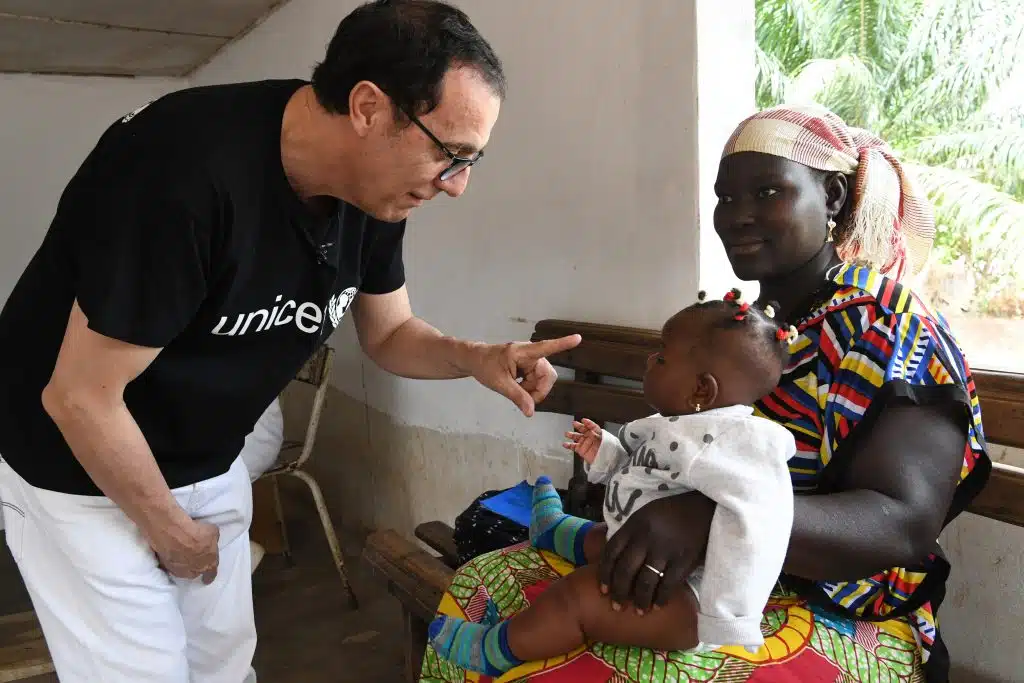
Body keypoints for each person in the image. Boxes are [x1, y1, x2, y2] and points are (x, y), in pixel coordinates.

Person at [0, 2, 580, 681]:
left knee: (222, 664)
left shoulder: (377, 190)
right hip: (77, 465)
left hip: (203, 452)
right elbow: (80, 398)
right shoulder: (182, 173)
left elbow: (390, 333)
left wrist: (478, 358)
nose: (457, 185)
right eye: (451, 154)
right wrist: (169, 531)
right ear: (368, 107)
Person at [421, 104, 991, 683]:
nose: (738, 216)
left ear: (835, 198)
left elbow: (902, 521)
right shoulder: (742, 329)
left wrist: (712, 519)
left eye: (768, 191)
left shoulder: (889, 329)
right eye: (726, 197)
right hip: (709, 573)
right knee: (485, 582)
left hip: (843, 610)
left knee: (594, 664)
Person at [427, 293, 799, 675]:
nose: (651, 360)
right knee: (602, 538)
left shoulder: (739, 443)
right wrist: (607, 453)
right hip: (643, 550)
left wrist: (730, 616)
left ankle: (497, 649)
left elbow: (763, 517)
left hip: (685, 599)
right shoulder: (678, 423)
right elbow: (646, 476)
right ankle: (552, 531)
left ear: (701, 391)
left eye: (663, 356)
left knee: (577, 597)